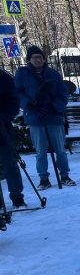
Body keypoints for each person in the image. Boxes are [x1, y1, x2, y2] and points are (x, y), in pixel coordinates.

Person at [14, 45, 74, 189]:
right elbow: (18, 93)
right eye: (34, 57)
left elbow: (63, 93)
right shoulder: (22, 74)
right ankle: (44, 178)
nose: (38, 60)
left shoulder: (53, 74)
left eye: (40, 57)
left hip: (54, 116)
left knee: (60, 149)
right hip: (36, 117)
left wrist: (55, 106)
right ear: (29, 59)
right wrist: (29, 105)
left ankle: (64, 175)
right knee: (40, 151)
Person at [0, 69, 24, 207]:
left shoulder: (4, 78)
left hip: (2, 129)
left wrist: (3, 117)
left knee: (10, 163)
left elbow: (14, 103)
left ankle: (17, 197)